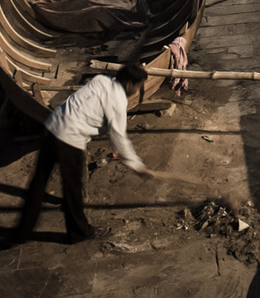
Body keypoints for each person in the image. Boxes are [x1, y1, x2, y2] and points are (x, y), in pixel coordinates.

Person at [9, 65, 156, 245]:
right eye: (138, 85)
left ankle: (21, 233)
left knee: (38, 183)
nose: (137, 90)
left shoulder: (101, 80)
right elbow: (118, 138)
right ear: (129, 83)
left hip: (51, 127)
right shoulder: (118, 101)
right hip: (69, 140)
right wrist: (137, 166)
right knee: (73, 189)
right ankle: (78, 232)